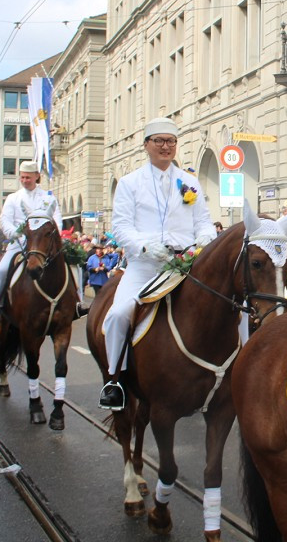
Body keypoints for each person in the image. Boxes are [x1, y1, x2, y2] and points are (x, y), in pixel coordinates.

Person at [101, 118, 216, 410]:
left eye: (171, 142)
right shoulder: (129, 184)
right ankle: (114, 379)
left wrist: (202, 244)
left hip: (186, 266)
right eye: (159, 141)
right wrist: (146, 246)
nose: (166, 147)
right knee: (117, 316)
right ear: (147, 145)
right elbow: (122, 227)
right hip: (145, 267)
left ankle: (228, 369)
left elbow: (203, 222)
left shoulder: (190, 182)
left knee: (227, 308)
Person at [0, 161, 63, 321]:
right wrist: (14, 233)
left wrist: (56, 235)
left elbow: (57, 218)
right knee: (0, 270)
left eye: (28, 177)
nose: (25, 180)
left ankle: (76, 301)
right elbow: (5, 220)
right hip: (20, 243)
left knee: (71, 264)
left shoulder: (48, 197)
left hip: (43, 244)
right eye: (22, 177)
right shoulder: (13, 198)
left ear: (37, 176)